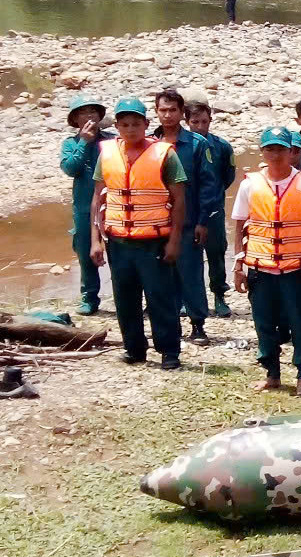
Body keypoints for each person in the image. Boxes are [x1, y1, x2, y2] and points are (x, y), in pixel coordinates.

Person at [88, 97, 186, 369]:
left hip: (154, 241)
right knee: (125, 297)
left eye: (136, 124)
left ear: (146, 124)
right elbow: (97, 200)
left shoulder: (165, 154)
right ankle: (134, 349)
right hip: (118, 241)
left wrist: (175, 240)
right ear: (117, 126)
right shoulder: (107, 153)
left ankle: (169, 351)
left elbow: (179, 199)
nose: (131, 129)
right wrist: (95, 240)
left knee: (160, 298)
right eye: (125, 124)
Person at [230, 127, 301, 396]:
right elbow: (239, 225)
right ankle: (272, 373)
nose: (275, 154)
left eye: (281, 149)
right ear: (263, 151)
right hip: (261, 268)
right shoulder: (250, 183)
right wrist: (239, 265)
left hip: (297, 267)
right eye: (270, 149)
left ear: (291, 152)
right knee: (264, 322)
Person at [153, 89, 218, 346]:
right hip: (156, 222)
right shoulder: (150, 144)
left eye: (172, 110)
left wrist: (204, 221)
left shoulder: (197, 145)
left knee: (191, 274)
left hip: (190, 221)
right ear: (156, 112)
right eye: (163, 110)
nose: (167, 115)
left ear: (182, 113)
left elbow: (209, 185)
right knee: (159, 276)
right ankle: (168, 326)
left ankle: (198, 325)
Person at [60, 96, 113, 316]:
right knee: (85, 252)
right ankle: (89, 297)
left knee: (121, 253)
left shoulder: (111, 141)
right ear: (75, 119)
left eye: (93, 111)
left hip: (113, 205)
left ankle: (128, 297)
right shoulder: (70, 144)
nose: (90, 116)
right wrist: (83, 142)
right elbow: (70, 169)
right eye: (84, 112)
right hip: (83, 208)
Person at [184, 101, 237, 319]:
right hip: (186, 210)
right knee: (187, 256)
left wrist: (214, 196)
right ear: (187, 122)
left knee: (215, 253)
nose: (199, 126)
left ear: (210, 121)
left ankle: (219, 296)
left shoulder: (222, 146)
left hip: (213, 211)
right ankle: (189, 300)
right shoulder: (182, 146)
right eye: (195, 122)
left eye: (204, 122)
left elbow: (228, 176)